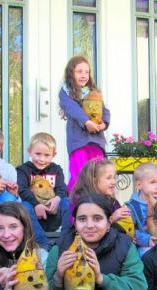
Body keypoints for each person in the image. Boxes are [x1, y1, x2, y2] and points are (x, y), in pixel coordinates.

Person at [59, 55, 110, 190]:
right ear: (71, 73)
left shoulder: (93, 92)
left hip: (96, 141)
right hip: (79, 142)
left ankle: (99, 206)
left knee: (98, 174)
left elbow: (104, 109)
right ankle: (75, 207)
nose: (83, 75)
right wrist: (86, 121)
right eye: (79, 71)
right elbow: (72, 109)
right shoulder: (66, 92)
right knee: (79, 175)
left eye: (86, 72)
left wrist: (104, 123)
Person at [16, 132, 70, 249]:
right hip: (34, 219)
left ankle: (66, 241)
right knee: (24, 206)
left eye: (47, 155)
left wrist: (57, 199)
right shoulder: (23, 170)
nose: (41, 159)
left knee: (67, 202)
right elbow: (22, 190)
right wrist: (36, 205)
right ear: (29, 151)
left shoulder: (56, 169)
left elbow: (62, 188)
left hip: (53, 213)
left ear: (53, 154)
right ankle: (43, 245)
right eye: (38, 154)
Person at [69, 158, 130, 225]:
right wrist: (113, 218)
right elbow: (84, 228)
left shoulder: (112, 201)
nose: (114, 182)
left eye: (114, 177)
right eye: (108, 178)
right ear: (94, 180)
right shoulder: (82, 202)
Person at [125, 162, 157, 256]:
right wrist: (146, 239)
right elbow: (130, 230)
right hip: (142, 245)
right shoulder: (132, 207)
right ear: (139, 185)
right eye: (152, 182)